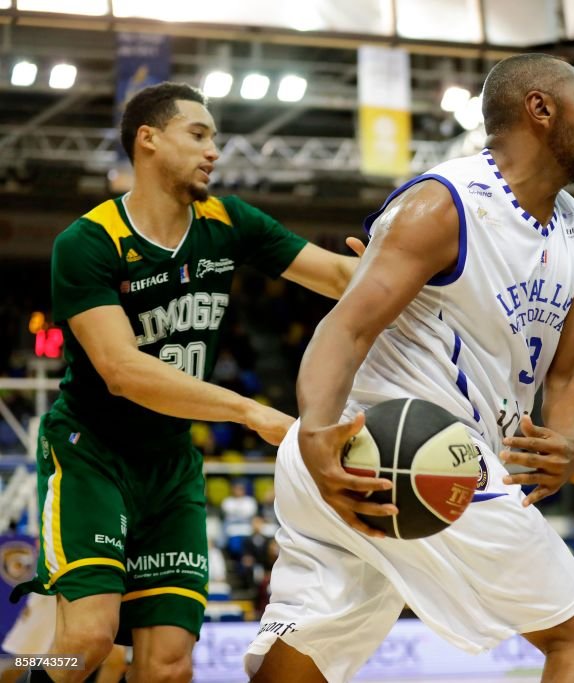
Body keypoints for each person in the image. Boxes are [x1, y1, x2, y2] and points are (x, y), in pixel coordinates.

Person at [245, 53, 574, 682]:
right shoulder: (444, 204)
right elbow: (347, 326)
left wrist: (568, 437)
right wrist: (313, 426)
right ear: (540, 108)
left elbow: (572, 371)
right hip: (416, 451)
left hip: (348, 460)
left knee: (300, 662)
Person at [12, 82, 365, 683]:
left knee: (169, 666)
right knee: (87, 641)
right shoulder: (88, 242)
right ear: (147, 140)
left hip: (172, 465)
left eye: (215, 139)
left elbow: (337, 275)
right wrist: (251, 412)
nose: (213, 151)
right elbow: (121, 372)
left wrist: (413, 269)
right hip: (92, 456)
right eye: (198, 135)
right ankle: (17, 670)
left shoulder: (228, 221)